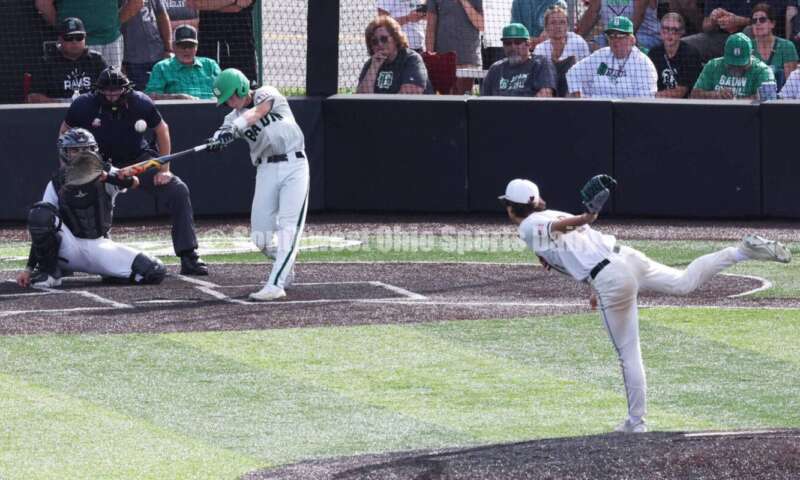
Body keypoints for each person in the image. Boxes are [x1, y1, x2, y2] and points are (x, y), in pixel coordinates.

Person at [499, 177, 791, 433]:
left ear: (511, 207)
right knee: (683, 283)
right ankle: (740, 251)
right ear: (536, 200)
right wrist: (591, 282)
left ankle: (636, 422)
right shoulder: (546, 214)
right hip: (626, 257)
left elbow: (566, 227)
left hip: (611, 277)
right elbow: (571, 244)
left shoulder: (528, 225)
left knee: (628, 352)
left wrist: (588, 215)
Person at [59, 66, 208, 275]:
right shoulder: (83, 105)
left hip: (138, 162)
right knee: (70, 197)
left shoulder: (140, 102)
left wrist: (164, 169)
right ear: (98, 90)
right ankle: (65, 260)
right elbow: (65, 132)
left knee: (178, 190)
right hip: (98, 165)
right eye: (107, 91)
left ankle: (189, 255)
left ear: (126, 89)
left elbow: (162, 129)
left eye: (117, 90)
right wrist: (68, 168)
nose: (112, 95)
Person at [17, 128, 166, 289]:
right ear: (65, 153)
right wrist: (29, 268)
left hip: (99, 246)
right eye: (75, 150)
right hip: (68, 248)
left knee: (154, 270)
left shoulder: (106, 172)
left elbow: (133, 182)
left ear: (94, 150)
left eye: (86, 148)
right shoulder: (56, 182)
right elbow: (41, 225)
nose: (82, 153)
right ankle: (50, 272)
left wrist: (108, 177)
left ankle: (112, 272)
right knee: (40, 212)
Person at [206, 68, 309, 301]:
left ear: (241, 87)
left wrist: (235, 127)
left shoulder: (265, 92)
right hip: (266, 169)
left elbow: (259, 111)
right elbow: (224, 131)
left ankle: (276, 284)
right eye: (226, 101)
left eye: (231, 97)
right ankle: (285, 260)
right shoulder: (231, 119)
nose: (230, 104)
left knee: (288, 227)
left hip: (295, 165)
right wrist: (216, 140)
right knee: (260, 236)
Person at [566, 16, 658, 98]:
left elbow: (645, 99)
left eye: (620, 36)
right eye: (611, 36)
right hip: (595, 111)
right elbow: (573, 73)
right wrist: (580, 100)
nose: (615, 40)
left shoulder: (643, 64)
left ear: (632, 40)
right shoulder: (600, 56)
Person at [35, 0, 144, 68]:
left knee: (111, 89)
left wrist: (114, 24)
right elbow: (43, 3)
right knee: (76, 91)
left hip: (111, 42)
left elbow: (137, 2)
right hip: (73, 46)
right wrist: (65, 29)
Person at [682, 0, 795, 63]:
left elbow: (771, 19)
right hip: (720, 38)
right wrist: (713, 19)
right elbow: (705, 26)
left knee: (748, 30)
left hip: (754, 38)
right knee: (685, 44)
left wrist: (740, 21)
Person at [27, 17, 108, 103]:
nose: (74, 42)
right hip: (56, 113)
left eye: (79, 37)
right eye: (69, 38)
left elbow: (112, 90)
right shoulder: (46, 63)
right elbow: (33, 97)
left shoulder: (97, 60)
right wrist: (62, 104)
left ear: (85, 38)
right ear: (60, 39)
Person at [357, 16, 434, 94]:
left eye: (384, 39)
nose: (380, 44)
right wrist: (374, 68)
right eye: (374, 42)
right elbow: (361, 100)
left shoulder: (411, 59)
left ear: (396, 39)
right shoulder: (371, 64)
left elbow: (409, 95)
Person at [186, 0, 257, 80]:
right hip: (208, 48)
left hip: (241, 53)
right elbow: (194, 2)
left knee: (244, 88)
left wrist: (213, 5)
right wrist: (234, 1)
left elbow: (244, 2)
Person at [145, 24, 221, 99]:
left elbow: (219, 89)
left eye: (190, 45)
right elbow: (151, 96)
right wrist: (176, 97)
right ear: (173, 46)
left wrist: (217, 96)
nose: (187, 50)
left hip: (211, 108)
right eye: (182, 46)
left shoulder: (210, 65)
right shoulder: (162, 67)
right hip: (179, 109)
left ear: (197, 46)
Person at [691, 32, 775, 99]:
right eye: (732, 64)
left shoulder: (763, 71)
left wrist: (735, 101)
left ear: (751, 54)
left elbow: (767, 99)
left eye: (740, 65)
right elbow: (694, 95)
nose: (736, 68)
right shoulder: (713, 65)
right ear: (725, 54)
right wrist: (715, 95)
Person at [481, 23, 557, 97]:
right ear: (503, 46)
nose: (513, 47)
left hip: (530, 109)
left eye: (517, 42)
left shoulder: (541, 64)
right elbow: (484, 101)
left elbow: (545, 96)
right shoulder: (495, 69)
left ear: (528, 44)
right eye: (508, 43)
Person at [426, 0, 484, 94]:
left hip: (468, 58)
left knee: (463, 99)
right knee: (447, 101)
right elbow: (430, 27)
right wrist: (429, 56)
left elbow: (482, 25)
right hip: (443, 58)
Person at [121, 0, 173, 90]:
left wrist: (168, 49)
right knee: (141, 96)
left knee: (165, 91)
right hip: (132, 60)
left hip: (158, 54)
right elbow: (114, 23)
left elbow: (162, 17)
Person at [647, 13, 702, 98]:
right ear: (660, 31)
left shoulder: (690, 54)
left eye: (674, 30)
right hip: (658, 103)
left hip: (685, 105)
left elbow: (680, 92)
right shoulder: (654, 54)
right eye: (666, 29)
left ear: (682, 32)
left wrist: (652, 95)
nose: (670, 34)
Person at [575, 0, 661, 51]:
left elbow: (638, 17)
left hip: (644, 36)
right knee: (584, 48)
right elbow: (591, 14)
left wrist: (618, 40)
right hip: (610, 36)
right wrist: (574, 39)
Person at [750, 3, 798, 89]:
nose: (757, 23)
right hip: (753, 97)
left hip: (782, 99)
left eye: (762, 20)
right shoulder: (747, 47)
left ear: (772, 24)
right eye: (754, 21)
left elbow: (791, 86)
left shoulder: (787, 46)